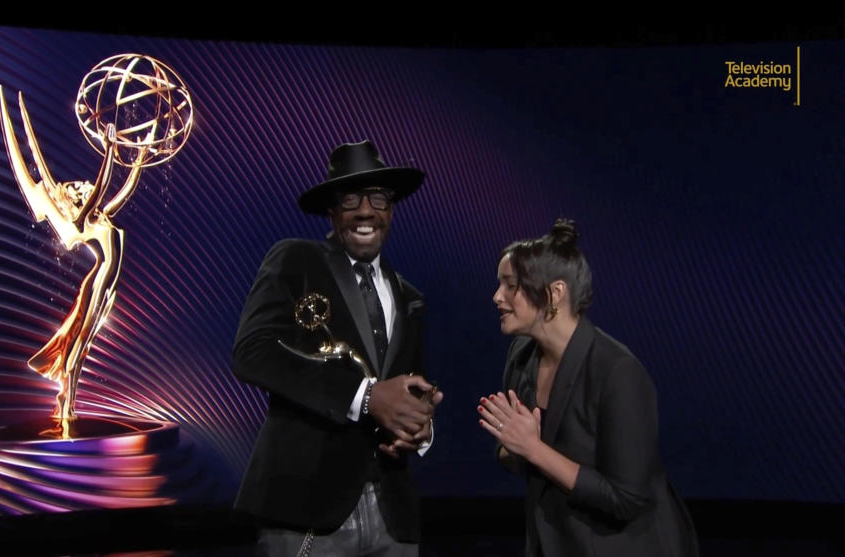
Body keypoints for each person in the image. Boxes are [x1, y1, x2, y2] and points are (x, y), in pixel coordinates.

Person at [233, 140, 444, 556]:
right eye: (350, 198)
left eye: (378, 197)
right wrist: (364, 398)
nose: (366, 211)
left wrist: (418, 426)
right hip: (308, 512)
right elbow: (253, 351)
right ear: (331, 210)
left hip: (394, 518)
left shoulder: (410, 297)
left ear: (392, 209)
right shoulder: (296, 260)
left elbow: (406, 387)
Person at [478, 219, 699, 557]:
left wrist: (533, 449)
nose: (497, 296)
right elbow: (516, 453)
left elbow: (626, 499)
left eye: (511, 285)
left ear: (554, 293)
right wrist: (513, 447)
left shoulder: (617, 372)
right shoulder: (523, 354)